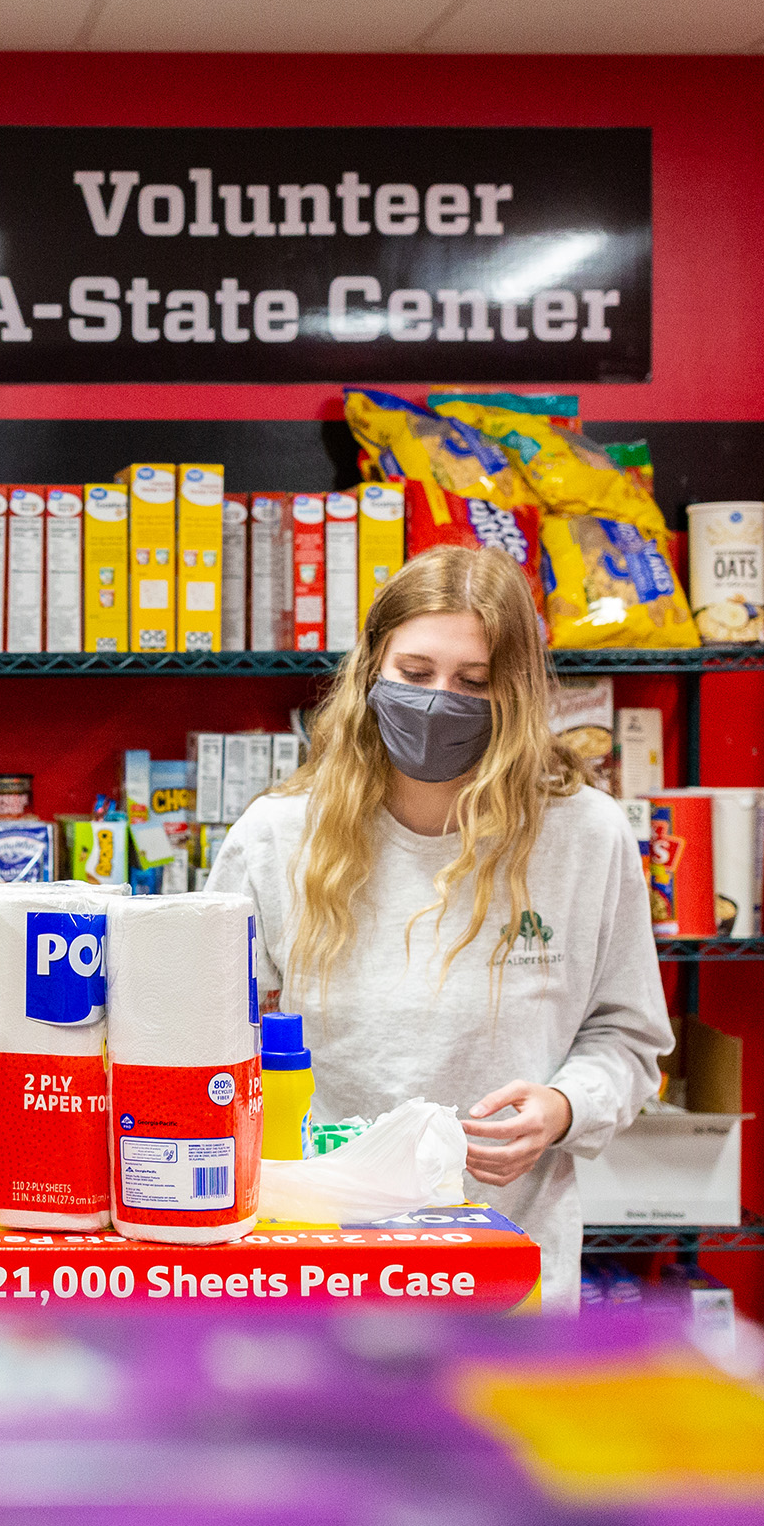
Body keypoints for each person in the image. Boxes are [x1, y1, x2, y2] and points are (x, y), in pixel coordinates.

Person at [208, 545, 670, 1310]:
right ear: (370, 673)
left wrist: (563, 1108)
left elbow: (627, 1037)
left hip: (508, 1265)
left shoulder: (585, 836)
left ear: (517, 693)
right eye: (415, 675)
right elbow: (208, 1043)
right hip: (317, 1261)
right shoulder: (279, 835)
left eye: (473, 682)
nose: (437, 701)